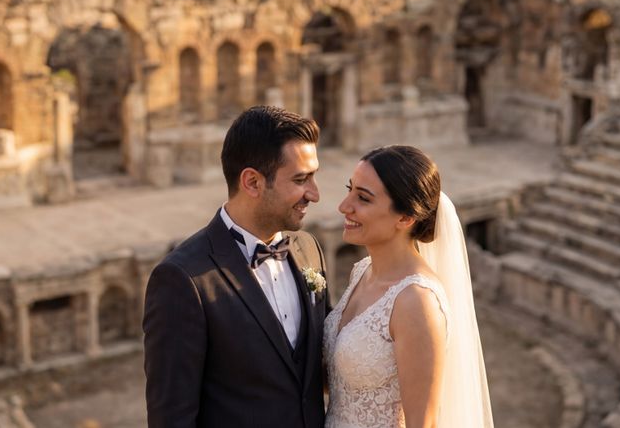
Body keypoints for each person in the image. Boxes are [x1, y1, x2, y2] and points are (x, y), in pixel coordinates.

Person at [143, 106, 329, 428]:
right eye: (301, 179)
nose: (314, 194)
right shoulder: (182, 279)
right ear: (253, 182)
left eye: (313, 177)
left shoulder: (308, 249)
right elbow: (172, 418)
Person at [325, 145, 494, 428]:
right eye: (349, 189)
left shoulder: (417, 301)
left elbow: (423, 423)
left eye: (363, 198)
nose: (344, 206)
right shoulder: (362, 271)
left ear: (405, 218)